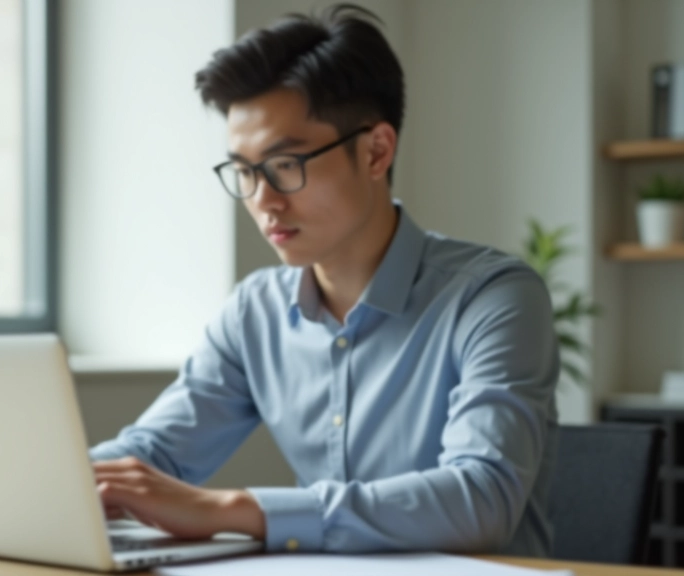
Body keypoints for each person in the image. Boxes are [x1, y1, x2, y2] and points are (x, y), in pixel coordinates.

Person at [90, 3, 557, 556]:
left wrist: (228, 509)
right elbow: (150, 456)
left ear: (377, 151)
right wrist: (53, 488)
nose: (263, 200)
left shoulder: (493, 297)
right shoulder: (255, 312)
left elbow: (481, 498)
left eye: (286, 164)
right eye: (243, 171)